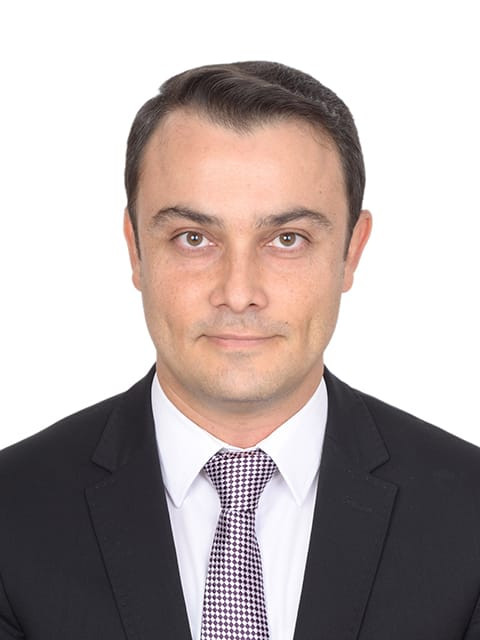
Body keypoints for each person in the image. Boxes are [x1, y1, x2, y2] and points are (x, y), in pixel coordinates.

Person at [1, 61, 479, 640]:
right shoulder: (12, 515)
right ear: (136, 250)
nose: (238, 292)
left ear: (351, 252)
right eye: (193, 238)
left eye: (287, 239)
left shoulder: (469, 515)